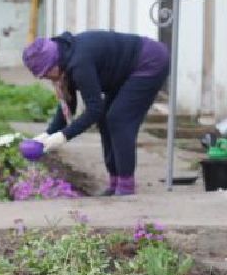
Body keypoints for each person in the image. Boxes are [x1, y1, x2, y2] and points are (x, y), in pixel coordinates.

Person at [16, 30, 170, 197]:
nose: (46, 78)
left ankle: (126, 186)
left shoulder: (79, 64)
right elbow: (68, 105)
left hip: (149, 61)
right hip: (125, 71)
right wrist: (47, 134)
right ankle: (115, 182)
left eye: (46, 73)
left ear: (54, 63)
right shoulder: (65, 58)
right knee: (105, 120)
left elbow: (94, 110)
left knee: (118, 119)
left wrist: (63, 136)